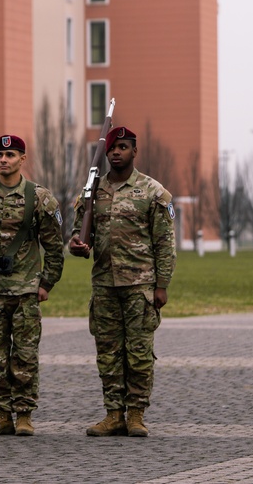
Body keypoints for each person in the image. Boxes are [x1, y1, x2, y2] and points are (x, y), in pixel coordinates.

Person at [69, 126, 176, 438]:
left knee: (139, 352)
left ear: (134, 152)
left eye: (123, 147)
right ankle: (113, 414)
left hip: (140, 286)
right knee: (108, 352)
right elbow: (78, 234)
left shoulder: (153, 192)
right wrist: (76, 245)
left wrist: (161, 285)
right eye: (112, 148)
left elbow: (164, 243)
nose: (116, 152)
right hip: (104, 284)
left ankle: (136, 414)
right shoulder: (92, 192)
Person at [0, 134, 64, 436]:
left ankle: (24, 412)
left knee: (25, 354)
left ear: (22, 159)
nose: (3, 160)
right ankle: (2, 411)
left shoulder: (39, 197)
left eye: (10, 155)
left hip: (26, 288)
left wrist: (47, 283)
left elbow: (54, 245)